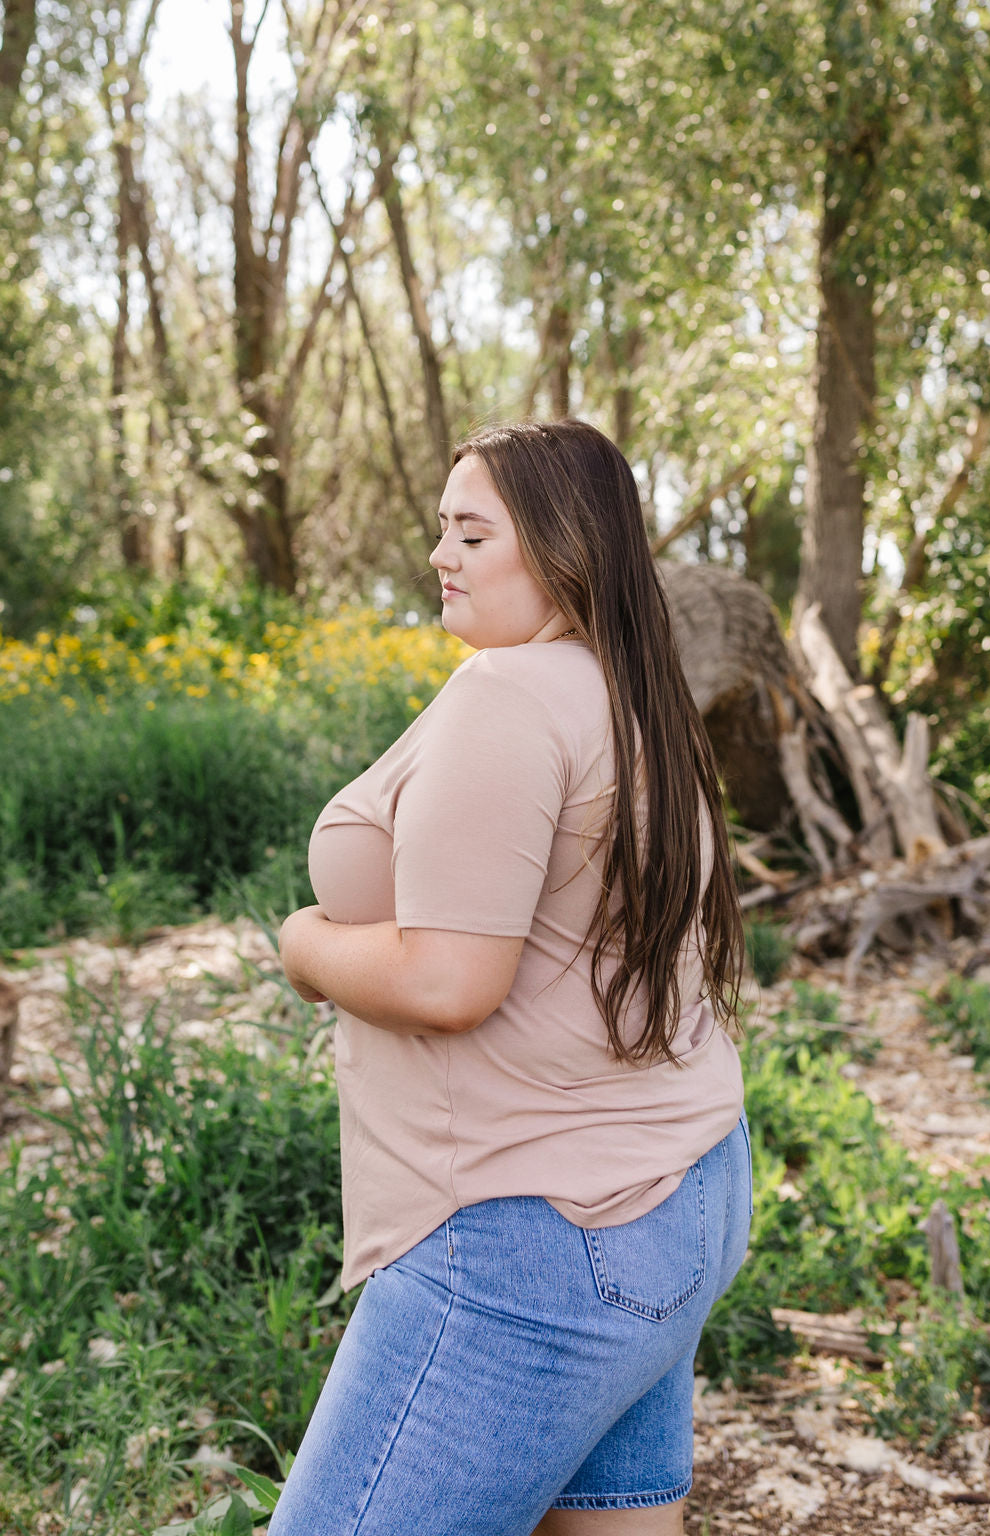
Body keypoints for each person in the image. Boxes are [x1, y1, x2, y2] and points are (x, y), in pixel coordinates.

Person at [272, 419, 752, 1536]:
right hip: (683, 1192)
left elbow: (449, 980)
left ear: (560, 547)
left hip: (535, 1238)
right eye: (442, 527)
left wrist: (304, 947)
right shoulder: (634, 695)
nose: (440, 553)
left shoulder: (508, 694)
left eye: (471, 532)